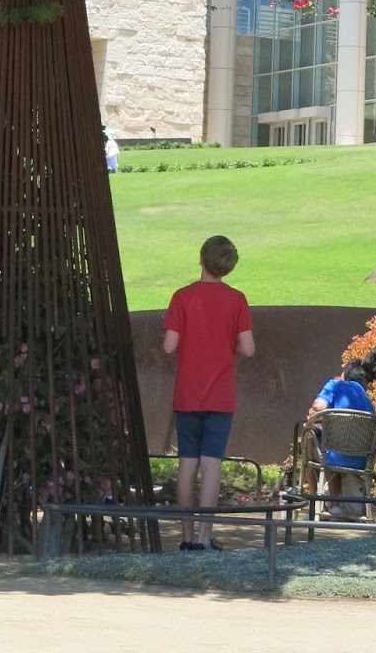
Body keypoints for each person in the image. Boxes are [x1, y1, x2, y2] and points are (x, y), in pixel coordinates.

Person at [162, 234, 255, 552]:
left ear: (201, 258)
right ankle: (204, 538)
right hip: (220, 396)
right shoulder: (237, 300)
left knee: (187, 463)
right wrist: (228, 344)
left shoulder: (182, 297)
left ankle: (187, 537)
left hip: (187, 394)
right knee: (211, 464)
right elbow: (248, 349)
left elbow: (169, 346)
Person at [305, 372, 376, 516]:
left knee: (312, 442)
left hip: (333, 455)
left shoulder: (334, 385)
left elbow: (318, 407)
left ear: (345, 376)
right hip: (360, 461)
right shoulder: (368, 403)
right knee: (331, 446)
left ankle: (318, 506)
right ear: (367, 384)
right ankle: (336, 505)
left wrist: (312, 412)